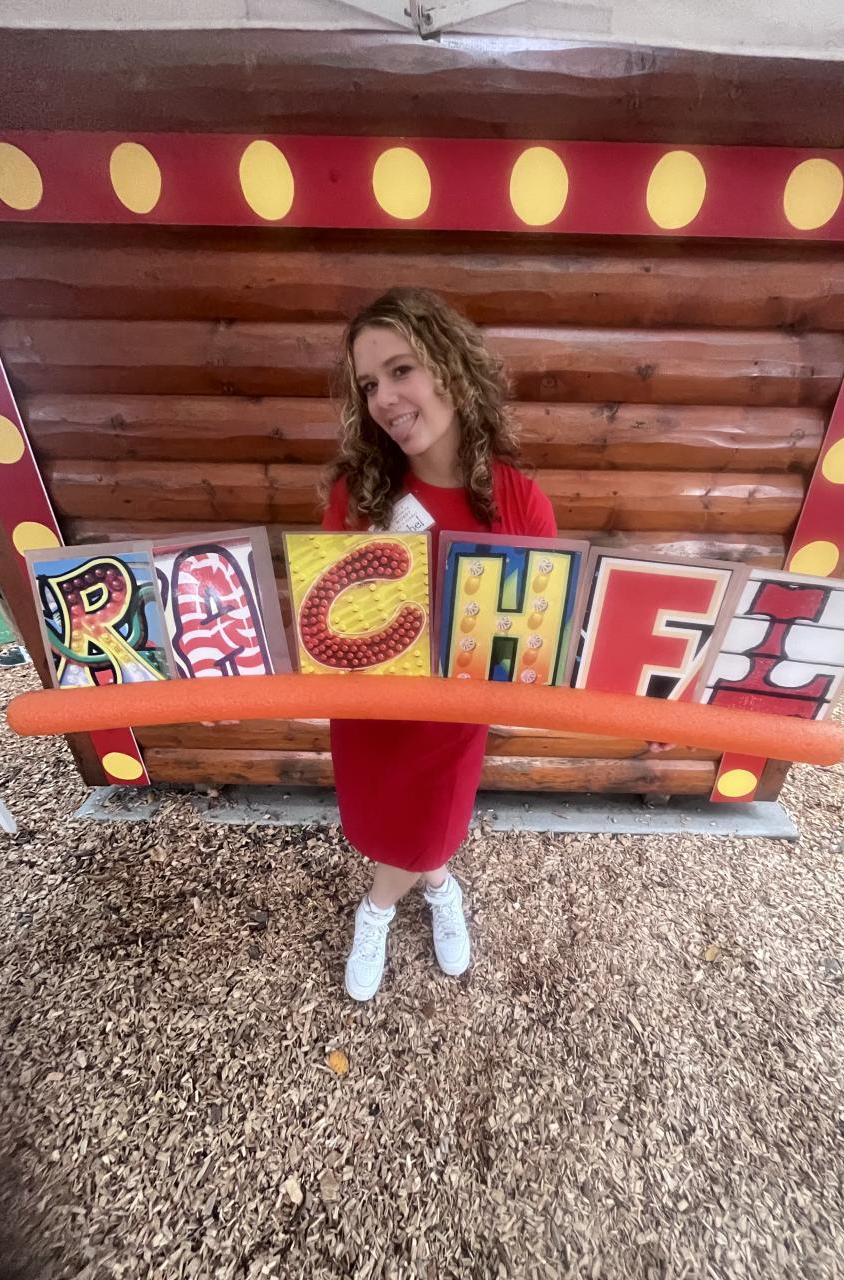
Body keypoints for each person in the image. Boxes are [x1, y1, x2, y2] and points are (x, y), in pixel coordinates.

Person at [322, 288, 557, 1001]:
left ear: (452, 370)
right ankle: (438, 888)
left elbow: (538, 630)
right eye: (369, 384)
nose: (384, 399)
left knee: (430, 827)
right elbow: (330, 621)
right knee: (391, 827)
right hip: (371, 714)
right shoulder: (359, 494)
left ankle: (378, 908)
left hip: (452, 720)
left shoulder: (519, 501)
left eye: (401, 371)